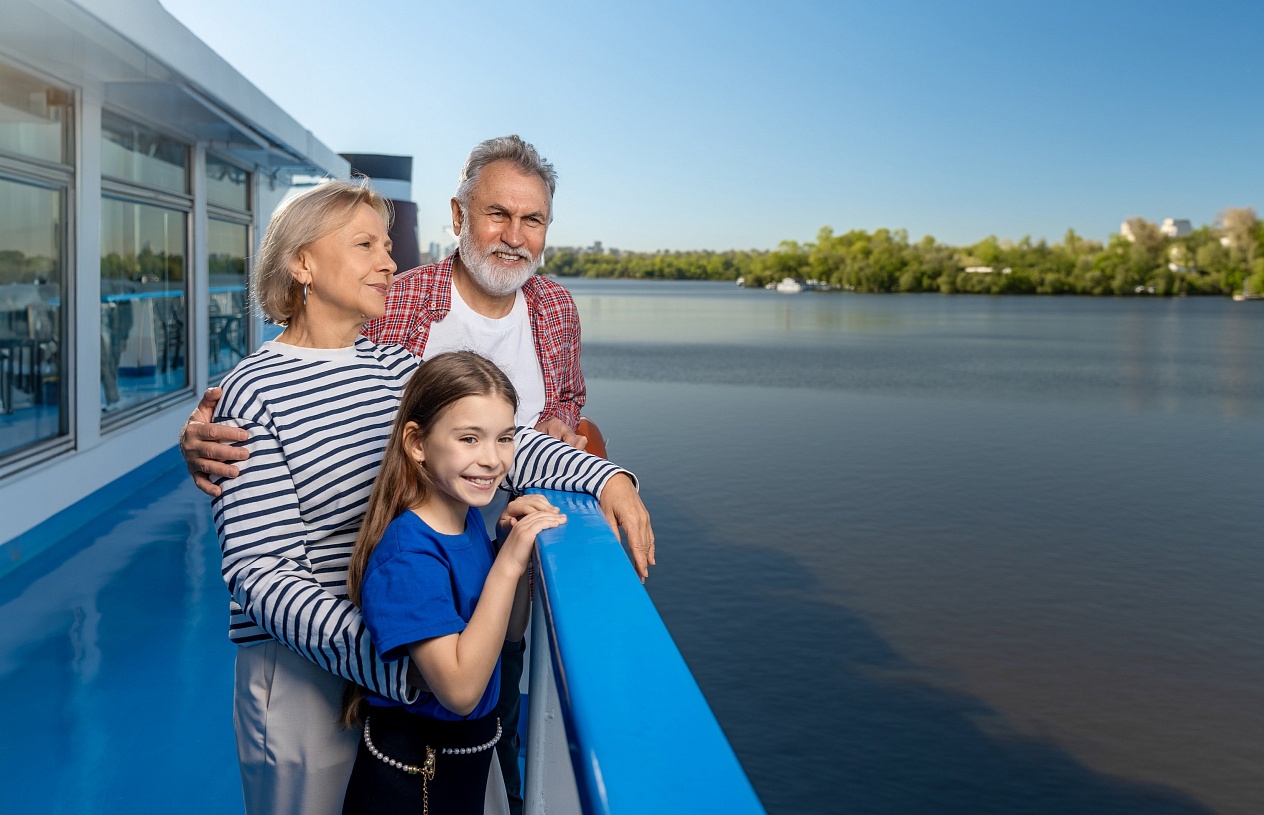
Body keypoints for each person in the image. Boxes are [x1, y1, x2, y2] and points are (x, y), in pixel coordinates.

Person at [183, 135, 655, 813]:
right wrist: (394, 660)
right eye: (366, 246)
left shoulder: (393, 368)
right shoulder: (253, 391)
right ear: (302, 263)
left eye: (387, 245)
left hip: (415, 645)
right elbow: (260, 575)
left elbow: (497, 441)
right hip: (317, 670)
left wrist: (607, 478)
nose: (390, 261)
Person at [340, 351, 561, 814]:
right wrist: (507, 564)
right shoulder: (408, 555)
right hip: (411, 777)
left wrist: (509, 547)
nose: (492, 459)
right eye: (469, 438)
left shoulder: (468, 521)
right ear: (416, 443)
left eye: (505, 438)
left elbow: (509, 632)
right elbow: (460, 692)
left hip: (462, 764)